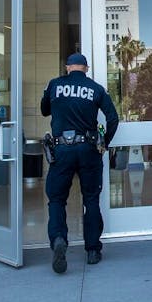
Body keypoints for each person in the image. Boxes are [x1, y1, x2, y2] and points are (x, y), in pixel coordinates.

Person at [41, 53, 119, 274]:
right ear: (86, 68)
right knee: (91, 199)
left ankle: (58, 240)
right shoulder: (95, 88)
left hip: (62, 150)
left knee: (56, 199)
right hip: (89, 149)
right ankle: (93, 250)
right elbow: (113, 118)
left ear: (67, 67)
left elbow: (44, 109)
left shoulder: (54, 85)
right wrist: (105, 142)